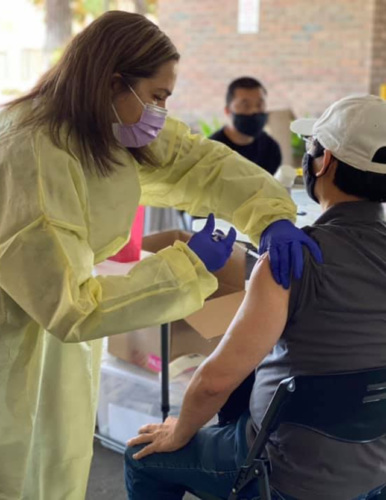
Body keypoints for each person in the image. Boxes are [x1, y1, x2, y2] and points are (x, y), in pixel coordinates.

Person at [0, 11, 323, 500]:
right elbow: (71, 306)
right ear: (112, 83)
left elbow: (198, 163)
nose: (161, 113)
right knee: (17, 465)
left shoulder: (101, 125)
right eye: (157, 96)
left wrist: (269, 213)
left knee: (55, 462)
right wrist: (188, 267)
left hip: (57, 339)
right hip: (17, 334)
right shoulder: (32, 155)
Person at [125, 94, 386, 500]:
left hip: (283, 471)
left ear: (325, 161)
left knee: (143, 456)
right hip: (376, 470)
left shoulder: (293, 260)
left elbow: (214, 382)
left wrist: (179, 430)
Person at [210, 76, 281, 176]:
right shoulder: (213, 151)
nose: (254, 111)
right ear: (228, 111)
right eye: (245, 106)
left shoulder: (270, 148)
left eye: (259, 105)